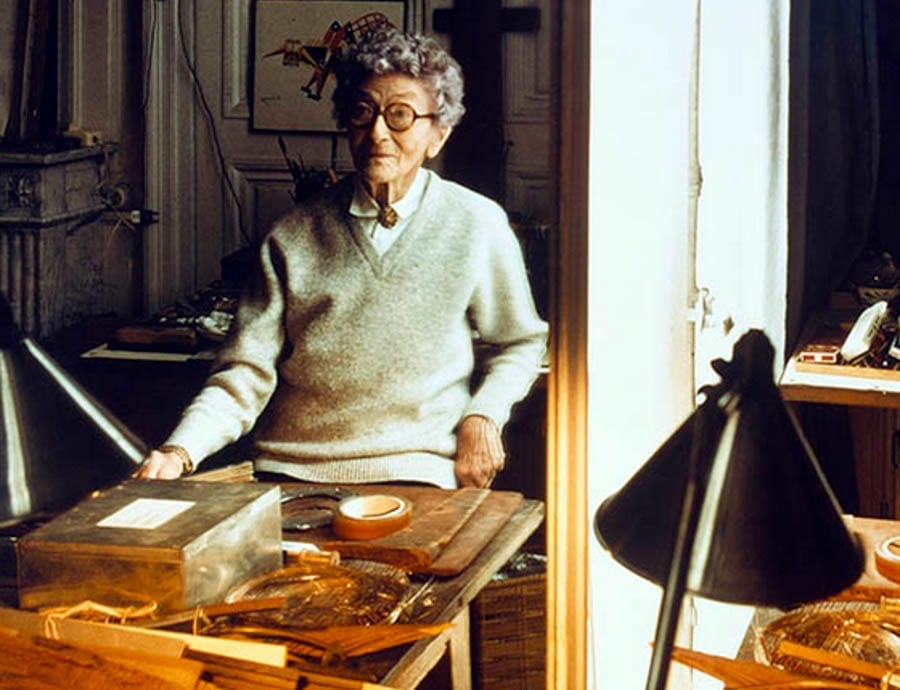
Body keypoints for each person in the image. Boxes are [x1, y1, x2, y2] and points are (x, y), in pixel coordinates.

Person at [136, 28, 547, 489]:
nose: (377, 133)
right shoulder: (291, 236)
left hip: (417, 470)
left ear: (438, 135)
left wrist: (483, 415)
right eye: (362, 112)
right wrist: (179, 451)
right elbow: (243, 374)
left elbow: (519, 343)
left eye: (400, 115)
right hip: (289, 471)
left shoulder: (476, 224)